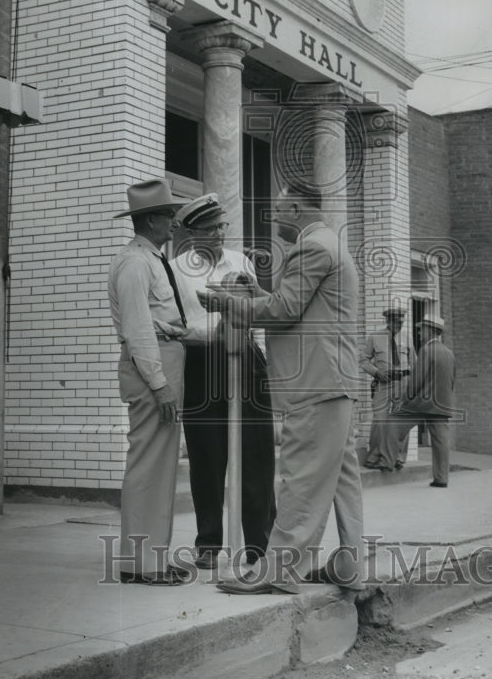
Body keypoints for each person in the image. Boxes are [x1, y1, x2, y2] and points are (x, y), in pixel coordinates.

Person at [198, 181, 365, 595]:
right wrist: (257, 294)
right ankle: (349, 564)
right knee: (343, 480)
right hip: (334, 381)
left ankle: (277, 573)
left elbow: (284, 311)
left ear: (295, 209)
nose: (274, 219)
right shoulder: (329, 243)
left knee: (300, 478)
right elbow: (297, 306)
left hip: (314, 383)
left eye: (278, 210)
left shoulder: (310, 248)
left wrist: (228, 304)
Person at [169, 193, 276, 569]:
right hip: (202, 360)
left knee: (256, 451)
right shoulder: (174, 269)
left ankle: (260, 543)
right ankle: (209, 543)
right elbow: (175, 325)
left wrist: (254, 352)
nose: (219, 234)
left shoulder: (241, 261)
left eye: (221, 226)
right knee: (207, 454)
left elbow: (259, 309)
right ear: (192, 233)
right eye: (210, 229)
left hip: (244, 356)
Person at [107, 178, 189, 585]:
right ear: (152, 219)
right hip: (151, 365)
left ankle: (154, 557)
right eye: (169, 214)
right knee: (148, 467)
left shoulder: (149, 258)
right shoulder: (136, 262)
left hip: (163, 359)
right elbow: (139, 329)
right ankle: (140, 564)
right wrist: (159, 385)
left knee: (161, 468)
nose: (174, 221)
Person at [393, 314, 456, 487]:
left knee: (394, 425)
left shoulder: (426, 350)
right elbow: (452, 380)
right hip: (443, 405)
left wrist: (405, 400)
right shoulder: (449, 353)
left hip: (422, 404)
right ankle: (442, 479)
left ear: (430, 330)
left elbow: (416, 381)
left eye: (421, 330)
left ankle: (391, 460)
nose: (419, 333)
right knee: (441, 442)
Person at [359, 307, 413, 472]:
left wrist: (414, 384)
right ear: (388, 321)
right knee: (380, 419)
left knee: (401, 420)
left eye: (402, 322)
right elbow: (363, 360)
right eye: (397, 322)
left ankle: (398, 458)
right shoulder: (375, 337)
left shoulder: (407, 337)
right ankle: (375, 457)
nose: (400, 325)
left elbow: (414, 362)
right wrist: (376, 372)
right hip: (383, 382)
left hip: (403, 382)